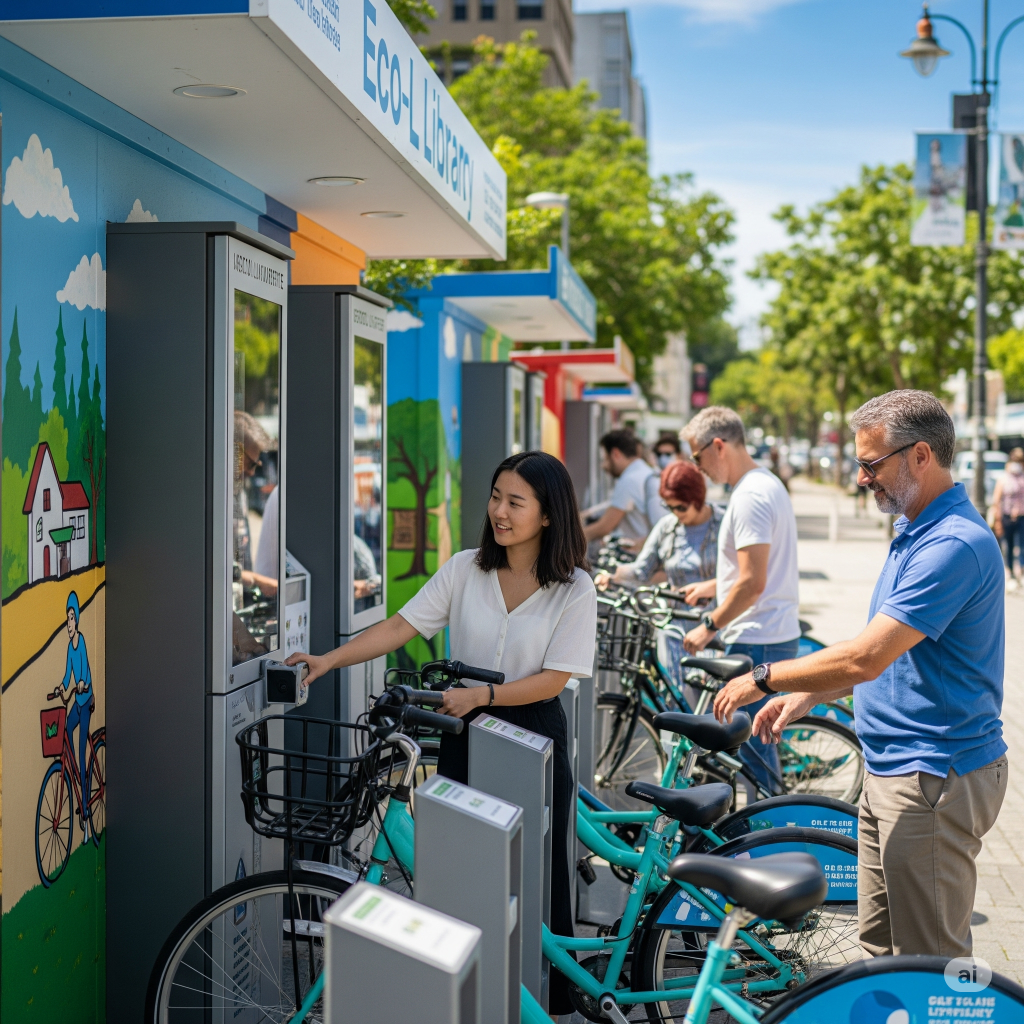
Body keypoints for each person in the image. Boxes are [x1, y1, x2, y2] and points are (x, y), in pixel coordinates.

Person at [286, 450, 597, 1016]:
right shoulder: (464, 569)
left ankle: (542, 1002)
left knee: (533, 884)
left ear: (548, 514)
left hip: (532, 738)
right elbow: (402, 625)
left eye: (515, 502)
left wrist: (485, 696)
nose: (499, 511)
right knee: (462, 876)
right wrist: (331, 660)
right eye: (496, 496)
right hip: (464, 732)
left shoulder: (574, 587)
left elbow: (555, 678)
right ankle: (469, 1001)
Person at [713, 390, 1008, 960]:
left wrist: (769, 678)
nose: (861, 478)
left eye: (871, 464)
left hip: (931, 776)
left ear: (920, 455)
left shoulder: (952, 544)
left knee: (926, 964)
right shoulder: (914, 529)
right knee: (879, 951)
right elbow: (889, 654)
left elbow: (867, 656)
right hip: (897, 769)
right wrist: (809, 695)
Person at [679, 406, 800, 794]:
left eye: (697, 457)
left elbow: (752, 583)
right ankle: (767, 836)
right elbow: (755, 569)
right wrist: (715, 585)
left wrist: (708, 625)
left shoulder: (749, 496)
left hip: (757, 635)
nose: (697, 468)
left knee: (755, 759)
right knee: (757, 753)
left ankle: (768, 840)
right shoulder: (765, 483)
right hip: (768, 631)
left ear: (718, 446)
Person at [595, 460, 723, 691]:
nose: (676, 513)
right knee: (678, 702)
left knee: (713, 706)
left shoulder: (724, 524)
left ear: (698, 498)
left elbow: (743, 576)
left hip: (716, 628)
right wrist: (611, 576)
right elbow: (641, 571)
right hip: (675, 631)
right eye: (669, 507)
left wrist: (712, 585)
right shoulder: (667, 527)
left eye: (681, 507)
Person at [583, 429, 666, 550]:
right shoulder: (645, 471)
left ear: (616, 454)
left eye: (605, 459)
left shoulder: (629, 480)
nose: (603, 466)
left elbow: (605, 526)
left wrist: (571, 539)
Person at [56, 591, 93, 841]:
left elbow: (84, 672)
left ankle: (87, 808)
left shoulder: (81, 643)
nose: (69, 624)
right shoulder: (70, 648)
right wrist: (61, 686)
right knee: (66, 733)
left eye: (71, 618)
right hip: (74, 703)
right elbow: (67, 673)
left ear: (76, 620)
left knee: (81, 754)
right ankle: (72, 780)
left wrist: (81, 683)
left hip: (86, 699)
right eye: (67, 619)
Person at [991, 447, 1024, 586]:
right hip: (1006, 517)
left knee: (1022, 546)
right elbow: (996, 500)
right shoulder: (1003, 478)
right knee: (1008, 546)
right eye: (1016, 460)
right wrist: (997, 520)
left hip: (1021, 517)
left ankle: (1021, 573)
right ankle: (1009, 573)